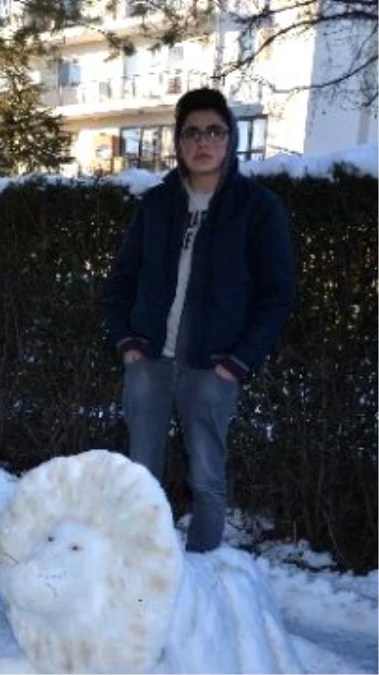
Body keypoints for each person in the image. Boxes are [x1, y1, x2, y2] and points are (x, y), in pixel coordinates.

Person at [105, 87, 296, 553]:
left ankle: (205, 574)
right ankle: (140, 567)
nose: (202, 141)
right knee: (140, 474)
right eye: (192, 133)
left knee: (207, 477)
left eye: (214, 131)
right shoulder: (156, 204)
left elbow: (278, 293)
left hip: (214, 366)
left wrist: (238, 361)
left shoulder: (256, 207)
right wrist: (128, 343)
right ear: (179, 142)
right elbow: (121, 278)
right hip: (149, 361)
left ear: (229, 140)